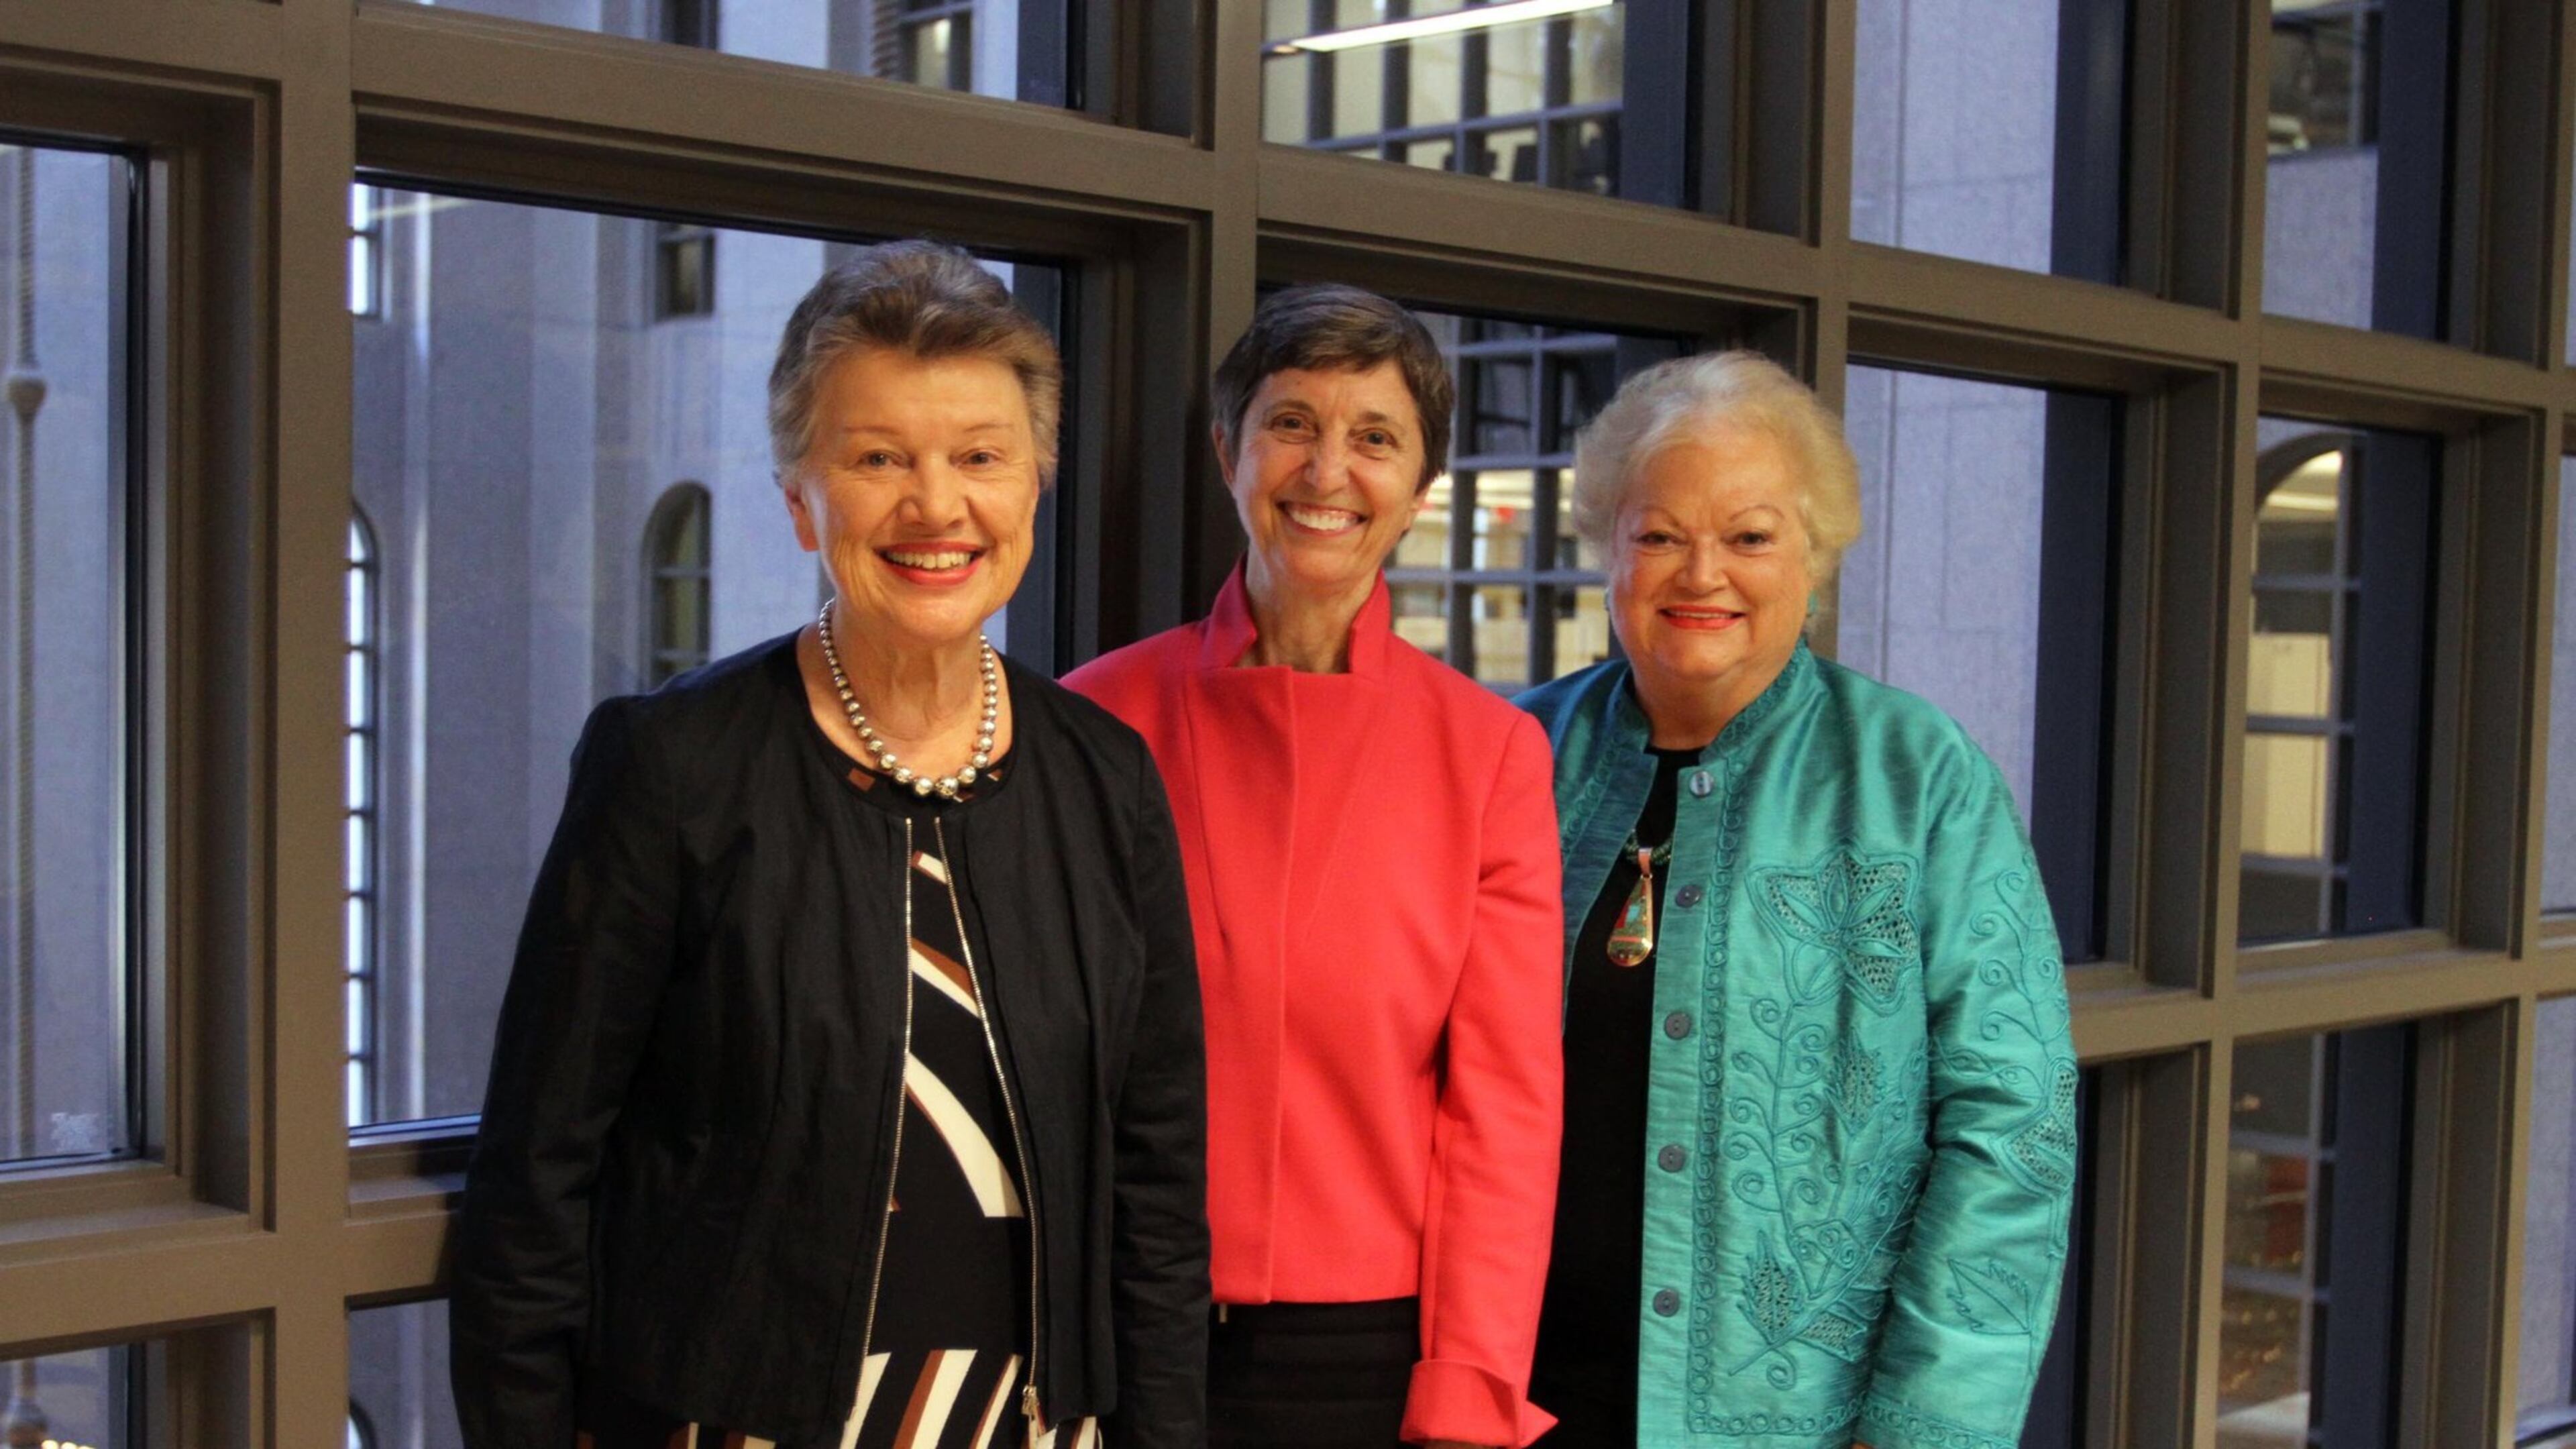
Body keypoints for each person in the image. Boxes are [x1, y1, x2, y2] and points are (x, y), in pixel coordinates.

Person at [448, 241, 1209, 1449]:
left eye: (979, 457)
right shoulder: (672, 769)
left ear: (1035, 483)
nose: (935, 505)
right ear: (800, 498)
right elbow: (537, 1182)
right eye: (877, 459)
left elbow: (1157, 1194)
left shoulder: (1106, 779)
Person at [1516, 352, 2078, 1449]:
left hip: (1798, 1424)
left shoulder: (1918, 777)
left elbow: (2014, 1127)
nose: (1702, 573)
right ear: (1608, 552)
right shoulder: (1514, 752)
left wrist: (1924, 1430)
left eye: (1751, 536)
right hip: (1512, 1402)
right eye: (1660, 533)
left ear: (1814, 557)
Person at [1066, 284, 1564, 1449]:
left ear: (1422, 487)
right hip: (1113, 1313)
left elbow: (1504, 1110)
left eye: (1376, 438)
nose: (1328, 470)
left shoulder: (1490, 753)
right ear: (1228, 451)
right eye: (1292, 423)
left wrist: (1472, 1379)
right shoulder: (1093, 717)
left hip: (1364, 1351)